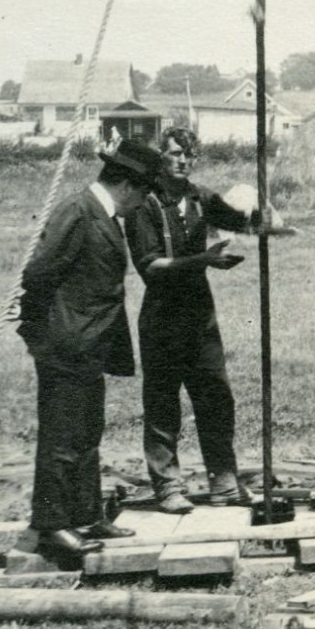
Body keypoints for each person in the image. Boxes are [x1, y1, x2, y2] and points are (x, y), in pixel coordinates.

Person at [19, 139, 163, 560]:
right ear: (127, 185)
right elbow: (39, 273)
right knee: (62, 439)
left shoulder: (103, 213)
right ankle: (51, 527)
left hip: (88, 347)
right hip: (65, 346)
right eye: (144, 194)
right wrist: (44, 337)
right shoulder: (78, 211)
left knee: (86, 433)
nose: (143, 203)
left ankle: (85, 515)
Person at [126, 126, 258, 513]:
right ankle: (167, 485)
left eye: (189, 155)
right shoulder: (143, 205)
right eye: (174, 154)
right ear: (161, 157)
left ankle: (224, 481)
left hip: (200, 316)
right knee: (163, 405)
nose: (182, 161)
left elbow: (239, 221)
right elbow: (151, 267)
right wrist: (205, 260)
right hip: (162, 318)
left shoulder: (200, 197)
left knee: (216, 398)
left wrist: (264, 218)